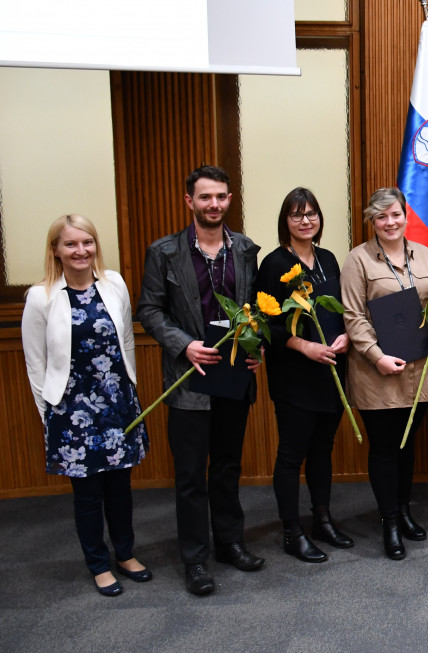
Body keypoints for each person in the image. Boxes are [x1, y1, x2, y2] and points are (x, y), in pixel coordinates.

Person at [137, 165, 264, 595]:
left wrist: (255, 347)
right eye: (205, 197)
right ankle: (195, 559)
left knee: (228, 467)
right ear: (189, 201)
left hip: (231, 374)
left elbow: (252, 309)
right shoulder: (165, 252)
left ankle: (230, 543)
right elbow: (150, 311)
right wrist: (184, 345)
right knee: (191, 474)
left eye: (221, 197)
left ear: (230, 200)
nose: (214, 204)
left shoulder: (245, 249)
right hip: (189, 376)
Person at [22, 215, 151, 596]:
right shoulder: (40, 297)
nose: (81, 251)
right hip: (72, 410)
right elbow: (36, 364)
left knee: (120, 489)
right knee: (88, 495)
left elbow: (126, 341)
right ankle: (98, 564)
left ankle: (125, 555)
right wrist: (48, 414)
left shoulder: (114, 284)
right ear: (56, 250)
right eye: (71, 244)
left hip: (116, 404)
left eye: (87, 242)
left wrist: (131, 390)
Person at [340, 187, 428, 560]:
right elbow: (352, 316)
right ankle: (389, 522)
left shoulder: (425, 255)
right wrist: (376, 355)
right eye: (381, 216)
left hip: (417, 369)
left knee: (407, 444)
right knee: (385, 448)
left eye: (396, 214)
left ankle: (404, 510)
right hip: (377, 372)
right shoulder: (358, 260)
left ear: (405, 215)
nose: (390, 222)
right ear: (372, 220)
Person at [256, 187, 353, 563]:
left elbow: (339, 309)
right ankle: (291, 531)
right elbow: (267, 324)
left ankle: (322, 520)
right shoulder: (275, 264)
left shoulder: (328, 259)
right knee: (291, 454)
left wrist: (345, 335)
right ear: (286, 221)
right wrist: (303, 346)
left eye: (311, 213)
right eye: (297, 215)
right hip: (295, 375)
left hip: (331, 371)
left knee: (322, 451)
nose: (306, 220)